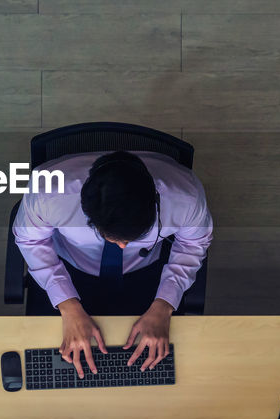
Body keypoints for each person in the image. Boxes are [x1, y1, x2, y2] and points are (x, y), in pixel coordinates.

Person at [13, 150, 212, 378]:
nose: (122, 247)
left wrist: (164, 304)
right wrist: (67, 305)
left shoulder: (186, 197)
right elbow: (30, 239)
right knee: (48, 362)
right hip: (68, 267)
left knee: (163, 365)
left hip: (146, 268)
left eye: (132, 238)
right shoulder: (47, 192)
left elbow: (193, 243)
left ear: (156, 201)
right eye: (112, 237)